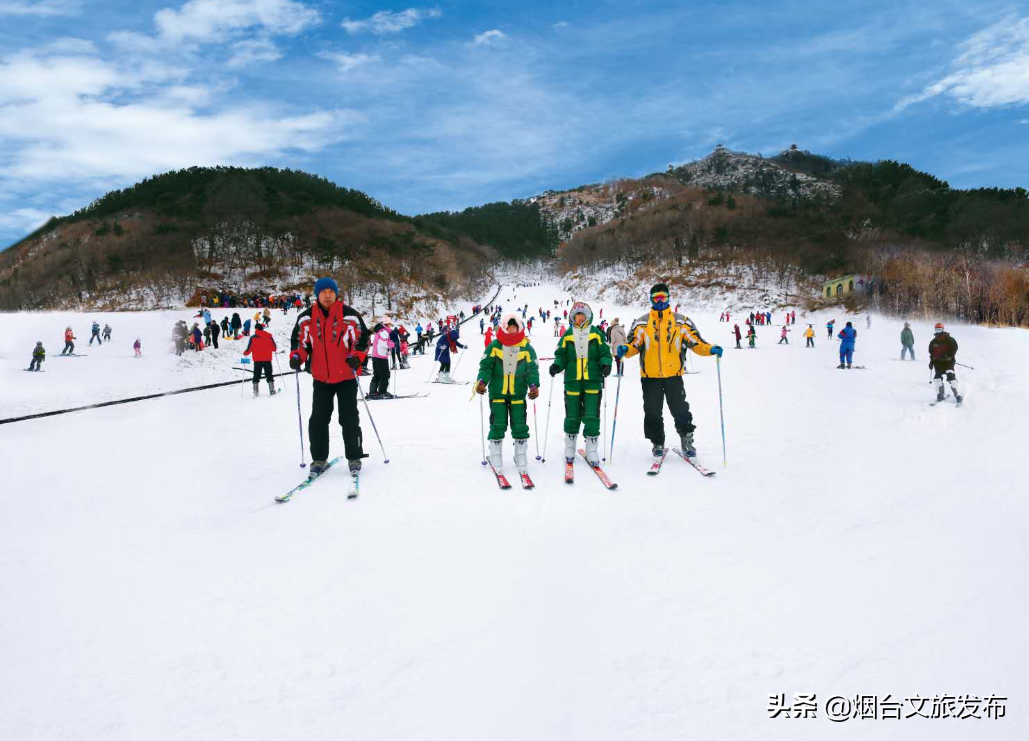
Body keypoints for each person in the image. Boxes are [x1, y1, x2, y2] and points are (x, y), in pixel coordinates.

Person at [615, 283, 722, 458]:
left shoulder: (681, 322)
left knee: (680, 410)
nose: (659, 302)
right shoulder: (642, 323)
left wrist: (710, 349)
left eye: (663, 298)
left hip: (674, 376)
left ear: (668, 298)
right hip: (650, 377)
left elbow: (696, 342)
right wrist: (626, 350)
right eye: (655, 298)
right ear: (650, 300)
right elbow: (634, 344)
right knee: (652, 411)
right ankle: (657, 442)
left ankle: (687, 440)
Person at [289, 277, 369, 475]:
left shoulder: (350, 316)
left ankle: (354, 456)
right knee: (318, 419)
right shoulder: (306, 318)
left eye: (331, 292)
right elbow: (300, 343)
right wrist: (297, 356)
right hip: (321, 378)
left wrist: (357, 358)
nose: (327, 295)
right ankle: (319, 458)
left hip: (346, 377)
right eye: (323, 291)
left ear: (336, 294)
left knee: (349, 418)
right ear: (317, 294)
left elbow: (362, 340)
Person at [476, 313, 540, 474]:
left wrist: (533, 385)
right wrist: (482, 381)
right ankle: (495, 453)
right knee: (498, 423)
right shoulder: (495, 346)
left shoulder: (526, 347)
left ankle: (520, 454)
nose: (512, 330)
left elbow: (532, 369)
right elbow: (486, 366)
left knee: (519, 424)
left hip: (518, 393)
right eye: (509, 327)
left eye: (515, 327)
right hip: (498, 392)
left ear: (519, 328)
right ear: (504, 328)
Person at [549, 302, 612, 466]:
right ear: (573, 317)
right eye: (577, 315)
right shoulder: (568, 334)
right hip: (572, 380)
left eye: (583, 315)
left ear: (587, 316)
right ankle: (570, 446)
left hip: (593, 379)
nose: (580, 318)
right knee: (572, 414)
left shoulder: (596, 333)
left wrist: (606, 364)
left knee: (592, 414)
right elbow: (561, 354)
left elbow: (605, 352)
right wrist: (557, 365)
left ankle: (591, 449)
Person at [928, 323, 961, 403]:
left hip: (948, 362)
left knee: (951, 377)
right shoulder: (933, 342)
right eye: (936, 329)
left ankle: (957, 394)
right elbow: (931, 353)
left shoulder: (949, 339)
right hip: (938, 363)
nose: (938, 331)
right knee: (937, 378)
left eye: (939, 329)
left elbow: (955, 348)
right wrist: (931, 362)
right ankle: (940, 394)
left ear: (943, 329)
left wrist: (949, 356)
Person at [244, 323, 277, 396]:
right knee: (269, 374)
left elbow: (249, 349)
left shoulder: (253, 337)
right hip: (267, 359)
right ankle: (272, 390)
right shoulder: (269, 336)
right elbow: (274, 348)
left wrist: (245, 353)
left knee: (256, 374)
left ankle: (255, 391)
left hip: (257, 360)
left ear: (256, 329)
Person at [367, 317, 395, 399]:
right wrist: (392, 344)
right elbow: (384, 343)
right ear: (387, 324)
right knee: (385, 375)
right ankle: (382, 392)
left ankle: (373, 392)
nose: (390, 326)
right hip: (381, 357)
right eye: (390, 324)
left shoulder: (379, 331)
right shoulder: (383, 331)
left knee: (377, 375)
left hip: (376, 356)